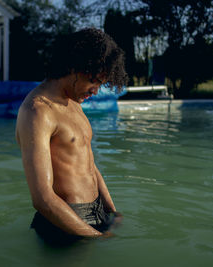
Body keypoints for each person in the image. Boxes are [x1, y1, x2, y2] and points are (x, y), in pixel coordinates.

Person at [15, 28, 128, 244]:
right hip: (65, 221)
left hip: (96, 213)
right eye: (93, 80)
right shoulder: (38, 111)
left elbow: (88, 162)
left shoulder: (74, 102)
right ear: (74, 67)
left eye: (100, 83)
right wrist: (95, 237)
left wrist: (110, 209)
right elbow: (42, 199)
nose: (95, 91)